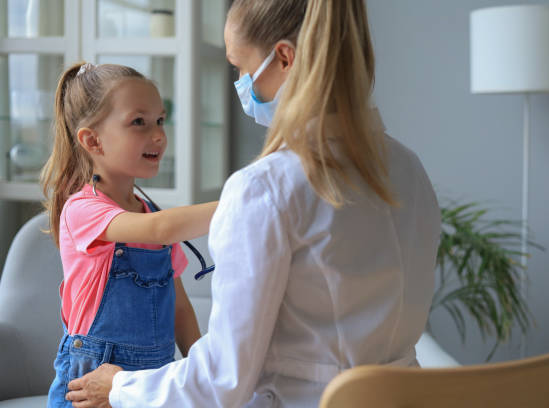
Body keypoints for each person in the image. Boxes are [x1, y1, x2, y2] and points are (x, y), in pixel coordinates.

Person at [65, 0, 441, 407]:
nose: (242, 82)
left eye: (240, 67)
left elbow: (222, 382)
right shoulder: (408, 168)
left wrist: (119, 388)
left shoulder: (265, 189)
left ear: (284, 58)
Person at [41, 62, 218, 408]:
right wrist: (245, 200)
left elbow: (179, 306)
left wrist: (203, 368)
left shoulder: (147, 213)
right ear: (92, 140)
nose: (158, 136)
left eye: (160, 120)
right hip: (89, 390)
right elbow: (161, 229)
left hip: (148, 388)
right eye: (139, 122)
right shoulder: (83, 210)